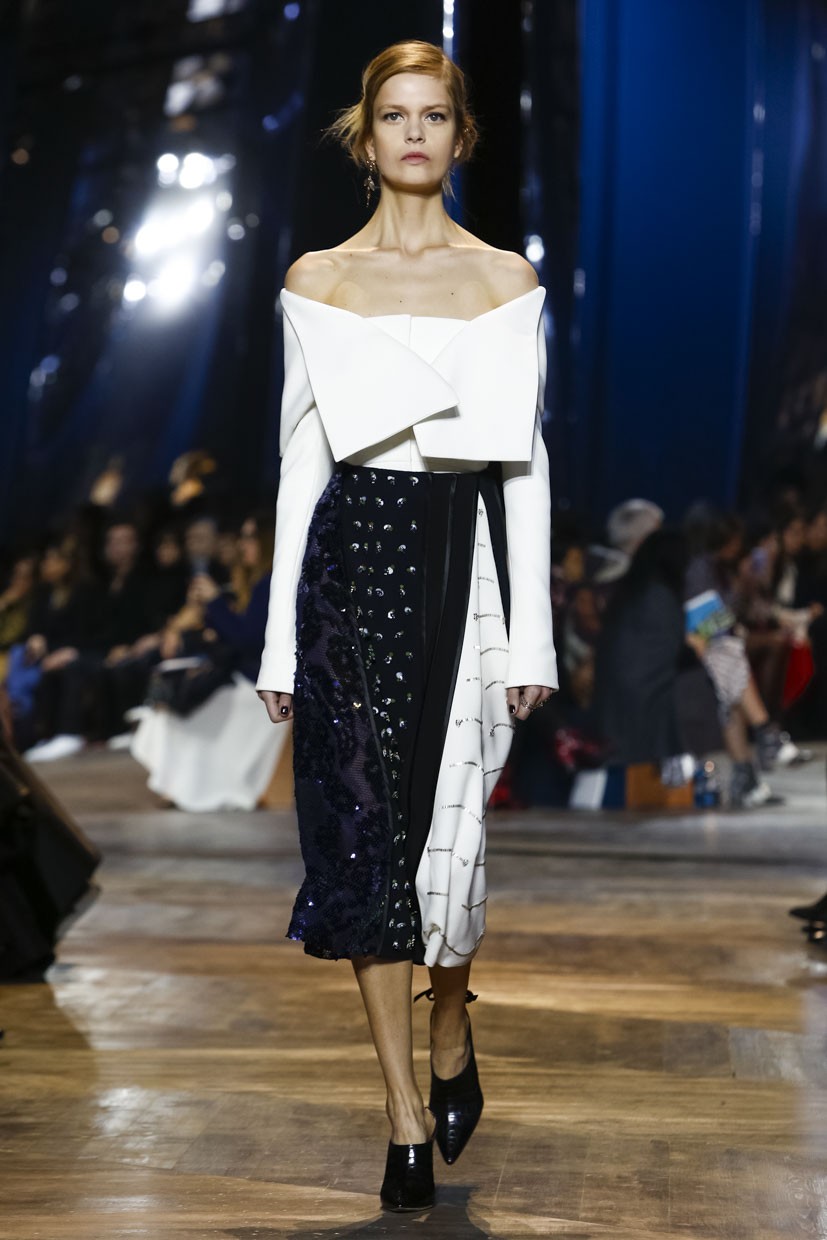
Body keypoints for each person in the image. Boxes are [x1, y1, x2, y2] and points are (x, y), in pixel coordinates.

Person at [255, 40, 557, 1213]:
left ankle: (449, 1015)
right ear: (366, 134)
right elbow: (297, 462)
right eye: (395, 115)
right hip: (349, 568)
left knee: (456, 849)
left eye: (434, 115)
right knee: (364, 845)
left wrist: (532, 636)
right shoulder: (319, 279)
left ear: (459, 134)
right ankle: (400, 1118)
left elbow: (523, 466)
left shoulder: (503, 279)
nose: (415, 133)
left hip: (459, 563)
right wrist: (279, 641)